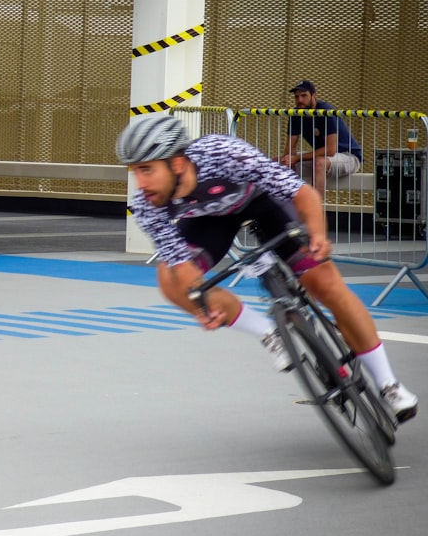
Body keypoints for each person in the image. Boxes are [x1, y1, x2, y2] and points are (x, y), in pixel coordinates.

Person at [117, 114, 418, 422]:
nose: (141, 183)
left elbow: (302, 193)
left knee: (323, 281)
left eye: (147, 169)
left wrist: (316, 235)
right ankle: (268, 332)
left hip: (263, 201)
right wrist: (202, 305)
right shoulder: (146, 204)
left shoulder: (223, 153)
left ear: (177, 163)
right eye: (135, 171)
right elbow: (182, 268)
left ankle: (388, 384)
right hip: (208, 221)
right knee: (169, 280)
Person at [276, 80, 363, 198]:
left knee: (319, 163)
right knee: (276, 163)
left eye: (304, 95)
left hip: (349, 156)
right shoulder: (296, 113)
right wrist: (287, 160)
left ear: (314, 96)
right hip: (325, 158)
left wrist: (296, 158)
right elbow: (290, 148)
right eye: (296, 97)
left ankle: (317, 211)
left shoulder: (325, 111)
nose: (299, 100)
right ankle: (284, 209)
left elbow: (331, 150)